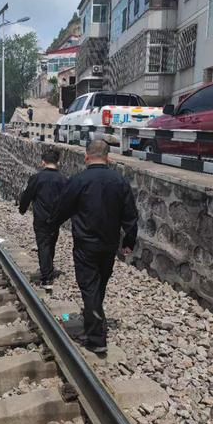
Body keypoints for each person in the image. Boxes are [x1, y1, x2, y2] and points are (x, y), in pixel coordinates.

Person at [49, 139, 138, 353]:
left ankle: (97, 339)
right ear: (108, 157)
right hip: (109, 245)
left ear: (87, 156)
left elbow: (63, 207)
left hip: (85, 244)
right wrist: (128, 241)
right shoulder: (119, 181)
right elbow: (131, 216)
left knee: (89, 287)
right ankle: (93, 322)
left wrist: (51, 225)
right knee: (99, 285)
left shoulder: (79, 180)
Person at [19, 148, 67, 285]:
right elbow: (68, 199)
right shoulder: (63, 179)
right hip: (56, 219)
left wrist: (22, 209)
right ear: (58, 162)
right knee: (51, 242)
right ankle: (48, 268)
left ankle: (46, 276)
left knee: (43, 244)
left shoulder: (37, 178)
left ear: (43, 162)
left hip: (40, 218)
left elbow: (27, 195)